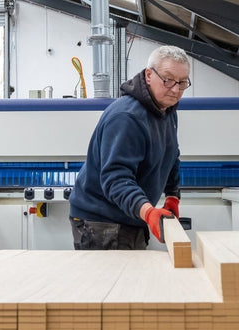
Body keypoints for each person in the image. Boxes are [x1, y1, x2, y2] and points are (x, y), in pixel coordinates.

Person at [68, 45, 190, 250]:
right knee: (114, 282)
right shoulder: (127, 118)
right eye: (168, 80)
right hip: (101, 222)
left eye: (182, 82)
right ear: (149, 75)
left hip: (130, 216)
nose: (176, 89)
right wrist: (149, 212)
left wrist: (172, 195)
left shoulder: (166, 110)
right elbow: (116, 179)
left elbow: (171, 155)